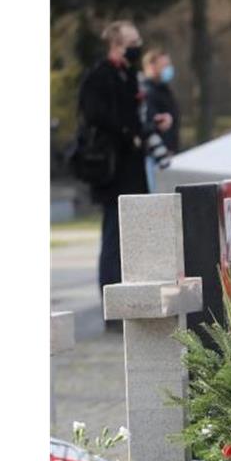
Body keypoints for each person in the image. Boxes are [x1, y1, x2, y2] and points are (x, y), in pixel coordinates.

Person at [77, 20, 173, 307]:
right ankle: (112, 303)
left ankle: (133, 298)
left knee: (133, 235)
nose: (138, 47)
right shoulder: (99, 77)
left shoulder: (129, 75)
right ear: (117, 45)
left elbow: (132, 115)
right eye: (133, 43)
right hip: (113, 169)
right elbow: (97, 116)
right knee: (113, 236)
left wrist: (150, 124)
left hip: (132, 166)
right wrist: (128, 131)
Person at [141, 48, 181, 191]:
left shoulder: (164, 90)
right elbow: (146, 124)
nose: (168, 69)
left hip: (167, 155)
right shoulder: (146, 92)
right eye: (164, 66)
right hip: (154, 157)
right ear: (151, 66)